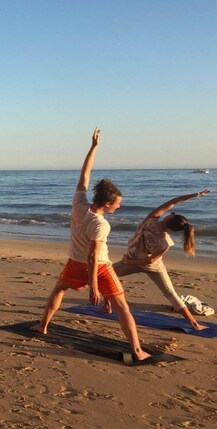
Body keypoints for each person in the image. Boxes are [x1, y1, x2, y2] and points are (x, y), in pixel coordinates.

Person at [32, 129, 151, 362]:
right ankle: (137, 351)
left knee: (59, 289)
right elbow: (93, 256)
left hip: (74, 263)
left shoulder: (79, 205)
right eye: (117, 204)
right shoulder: (100, 225)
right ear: (107, 204)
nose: (119, 207)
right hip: (98, 267)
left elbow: (84, 176)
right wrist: (94, 287)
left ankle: (42, 326)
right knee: (123, 307)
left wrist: (93, 147)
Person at [102, 189, 211, 330]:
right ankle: (194, 324)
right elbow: (152, 260)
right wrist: (195, 195)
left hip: (139, 263)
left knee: (106, 276)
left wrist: (194, 195)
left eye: (172, 214)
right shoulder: (166, 242)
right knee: (170, 294)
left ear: (169, 218)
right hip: (147, 265)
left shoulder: (151, 219)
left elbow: (172, 202)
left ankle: (194, 323)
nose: (170, 213)